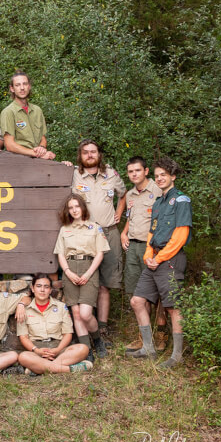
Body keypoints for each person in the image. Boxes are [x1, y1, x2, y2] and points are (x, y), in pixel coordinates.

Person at [127, 157, 191, 369]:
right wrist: (148, 255)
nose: (160, 178)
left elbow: (181, 235)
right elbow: (152, 232)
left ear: (173, 176)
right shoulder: (158, 202)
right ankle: (148, 348)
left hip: (171, 259)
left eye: (164, 174)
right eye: (157, 176)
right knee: (137, 301)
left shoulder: (181, 200)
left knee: (173, 307)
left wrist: (159, 257)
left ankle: (177, 356)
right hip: (153, 259)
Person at [70, 139, 126, 339]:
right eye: (85, 152)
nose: (90, 155)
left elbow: (124, 193)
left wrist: (119, 213)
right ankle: (85, 326)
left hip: (109, 232)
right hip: (84, 235)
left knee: (104, 284)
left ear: (99, 154)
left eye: (93, 152)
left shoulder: (111, 174)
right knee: (84, 280)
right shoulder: (73, 174)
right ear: (80, 155)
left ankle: (101, 327)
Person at [53, 194, 110, 361]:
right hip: (70, 269)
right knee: (76, 313)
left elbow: (100, 254)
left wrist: (88, 273)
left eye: (77, 206)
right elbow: (61, 254)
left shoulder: (94, 228)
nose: (74, 210)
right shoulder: (65, 229)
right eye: (71, 208)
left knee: (85, 313)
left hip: (89, 269)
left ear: (82, 207)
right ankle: (86, 351)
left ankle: (97, 339)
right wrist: (68, 272)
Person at [121, 156, 167, 352]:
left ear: (146, 171)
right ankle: (144, 337)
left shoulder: (158, 190)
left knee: (159, 294)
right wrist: (124, 232)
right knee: (137, 294)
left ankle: (161, 335)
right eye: (131, 171)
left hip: (154, 248)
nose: (134, 174)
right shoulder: (130, 194)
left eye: (137, 170)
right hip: (133, 248)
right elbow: (131, 217)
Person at [17, 273, 93, 375]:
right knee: (23, 357)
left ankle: (38, 369)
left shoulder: (61, 307)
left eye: (46, 287)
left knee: (82, 348)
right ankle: (70, 369)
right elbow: (24, 337)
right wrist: (37, 351)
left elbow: (68, 334)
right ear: (33, 288)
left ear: (50, 290)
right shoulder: (24, 310)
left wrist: (58, 350)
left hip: (58, 349)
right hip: (37, 350)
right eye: (39, 286)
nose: (42, 290)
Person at [0, 70, 55, 159]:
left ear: (29, 86)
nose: (22, 88)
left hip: (39, 160)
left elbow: (43, 137)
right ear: (12, 88)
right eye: (17, 85)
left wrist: (42, 148)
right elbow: (9, 145)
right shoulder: (8, 112)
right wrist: (34, 153)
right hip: (19, 162)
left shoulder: (37, 110)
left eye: (25, 84)